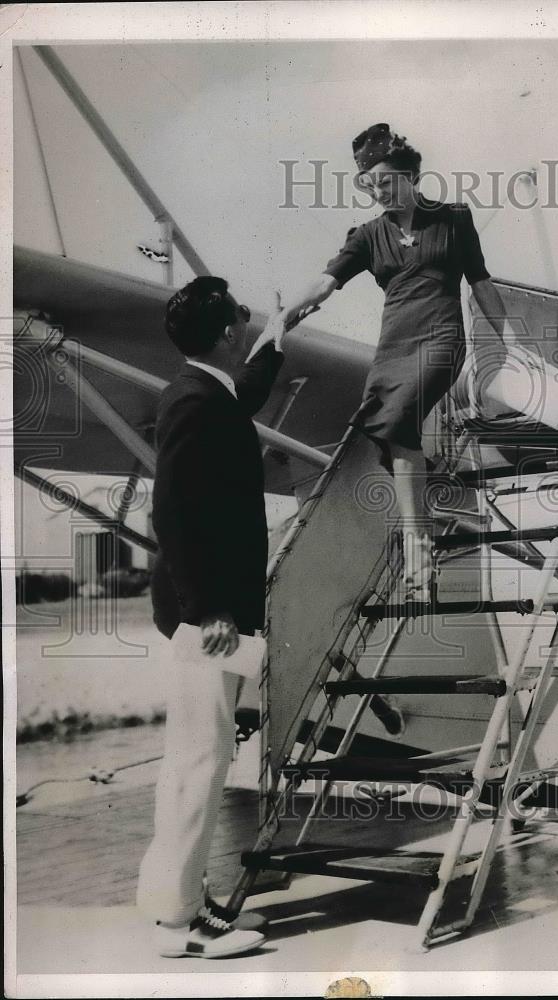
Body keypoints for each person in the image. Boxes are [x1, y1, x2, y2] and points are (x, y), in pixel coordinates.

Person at [279, 123, 516, 600]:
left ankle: (417, 540)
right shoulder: (367, 235)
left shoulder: (453, 219)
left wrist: (508, 338)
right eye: (370, 186)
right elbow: (326, 282)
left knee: (401, 413)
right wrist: (288, 313)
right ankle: (420, 539)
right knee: (392, 431)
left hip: (441, 339)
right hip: (394, 344)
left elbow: (481, 283)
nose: (379, 192)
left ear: (411, 175)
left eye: (386, 182)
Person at [137, 276, 286, 959]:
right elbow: (171, 512)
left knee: (199, 758)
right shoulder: (193, 402)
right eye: (243, 318)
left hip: (212, 615)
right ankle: (180, 926)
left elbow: (246, 392)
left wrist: (280, 331)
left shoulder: (208, 394)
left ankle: (174, 904)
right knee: (200, 762)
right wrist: (210, 611)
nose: (246, 323)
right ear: (226, 333)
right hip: (209, 619)